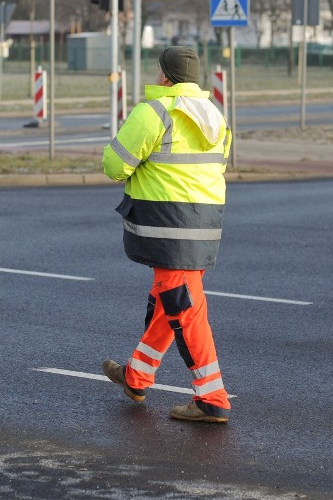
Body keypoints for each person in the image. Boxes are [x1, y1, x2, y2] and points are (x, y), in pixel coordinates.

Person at [101, 46, 232, 423]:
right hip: (204, 225)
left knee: (185, 309)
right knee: (170, 301)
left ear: (164, 76)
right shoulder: (215, 116)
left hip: (165, 223)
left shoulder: (153, 112)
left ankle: (212, 398)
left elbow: (114, 165)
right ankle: (136, 376)